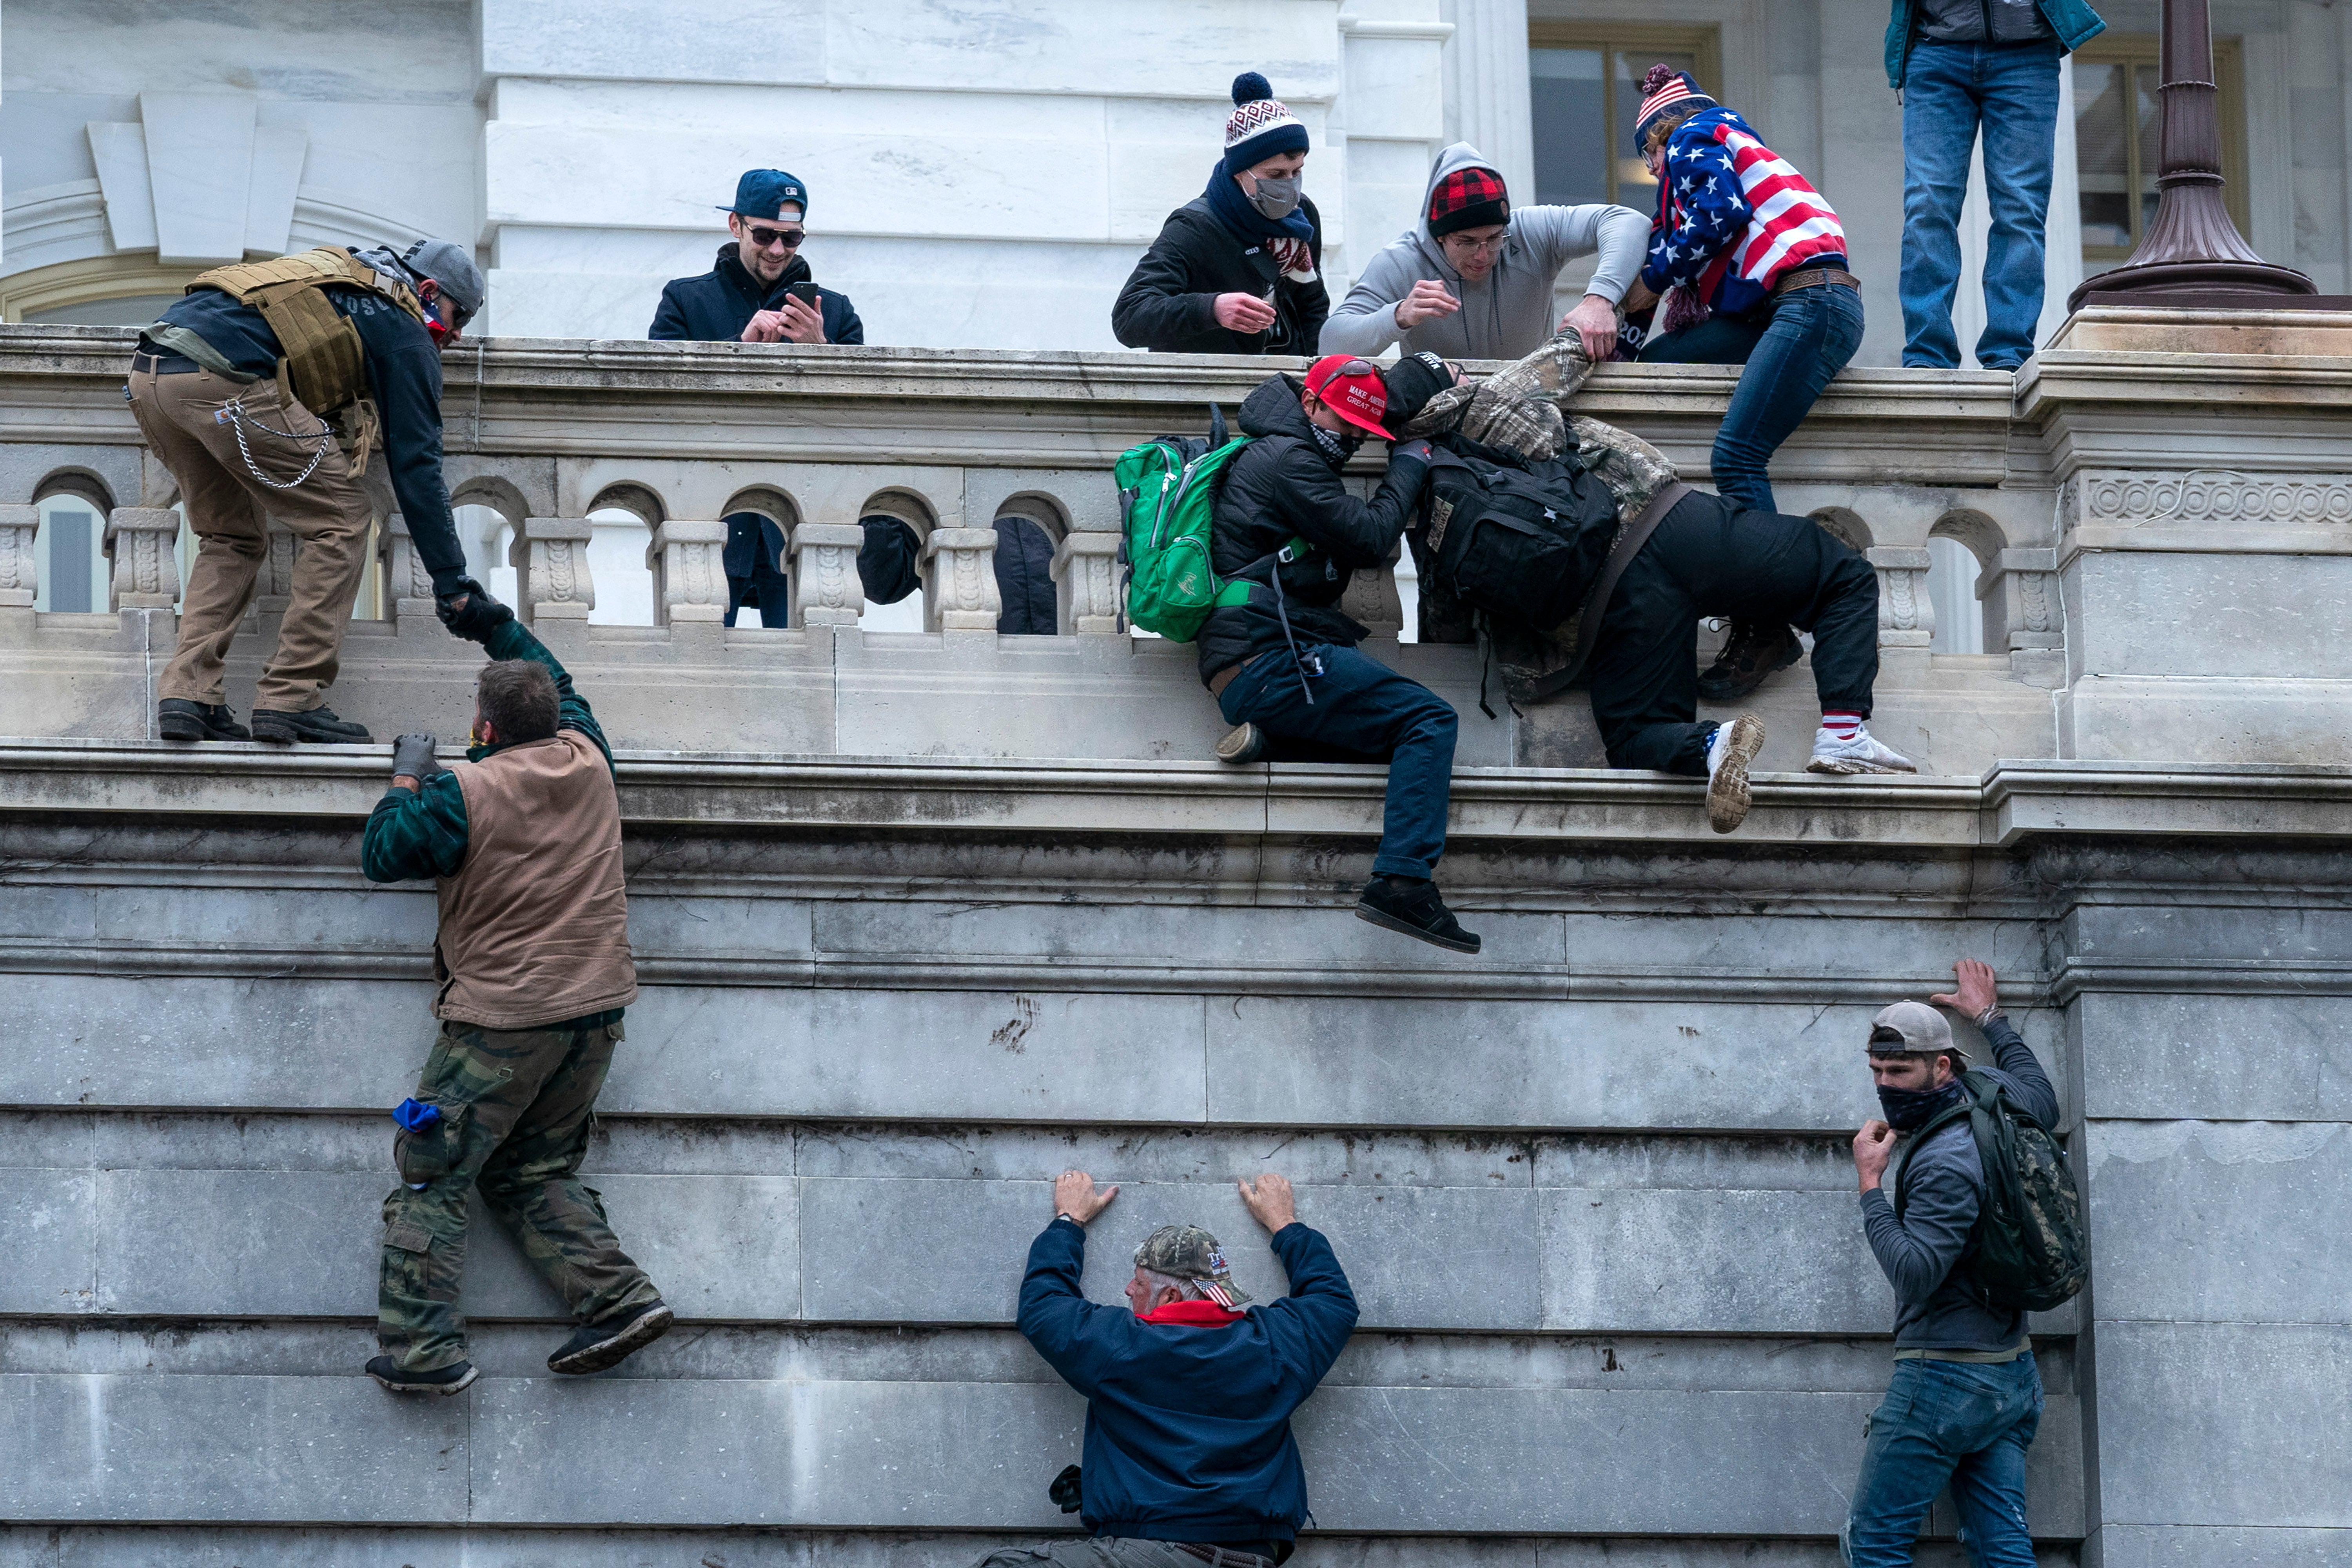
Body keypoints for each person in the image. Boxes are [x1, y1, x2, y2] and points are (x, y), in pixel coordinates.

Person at [1381, 339, 1915, 834]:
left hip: (1609, 609)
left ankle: (1712, 741)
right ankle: (1843, 732)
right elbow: (1574, 354)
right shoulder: (1491, 398)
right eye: (1451, 369)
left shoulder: (1417, 488)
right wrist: (1589, 318)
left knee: (1636, 737)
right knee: (1842, 574)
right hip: (1671, 525)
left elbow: (1448, 612)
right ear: (1446, 386)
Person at [358, 586, 670, 1395]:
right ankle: (618, 1297)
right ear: (553, 717)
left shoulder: (463, 791)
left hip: (503, 1017)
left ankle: (423, 1351)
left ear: (484, 729)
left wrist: (405, 776)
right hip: (596, 1011)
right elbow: (558, 680)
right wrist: (495, 623)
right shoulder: (591, 754)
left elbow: (386, 852)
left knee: (432, 1173)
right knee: (530, 1168)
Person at [130, 239, 487, 745]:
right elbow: (418, 465)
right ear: (428, 290)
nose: (453, 335)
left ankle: (188, 694)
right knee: (343, 518)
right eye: (458, 317)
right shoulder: (406, 325)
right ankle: (290, 699)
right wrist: (452, 582)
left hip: (151, 376)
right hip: (226, 379)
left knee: (231, 536)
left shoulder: (339, 273)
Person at [1202, 355, 1472, 953]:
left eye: (1361, 434)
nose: (1350, 440)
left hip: (1252, 665)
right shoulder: (1290, 462)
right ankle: (1403, 881)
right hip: (1270, 657)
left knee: (1385, 734)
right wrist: (1407, 462)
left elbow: (1381, 398)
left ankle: (1277, 741)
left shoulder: (1288, 449)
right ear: (1309, 404)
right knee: (1428, 720)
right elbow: (1375, 536)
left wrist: (1434, 369)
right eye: (1343, 424)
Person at [1621, 65, 1863, 704]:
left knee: (1736, 454)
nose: (1652, 170)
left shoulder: (1696, 137)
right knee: (1662, 363)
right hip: (1781, 309)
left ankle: (1766, 623)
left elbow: (1717, 215)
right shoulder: (1724, 144)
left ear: (1658, 138)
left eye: (1647, 153)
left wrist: (1657, 276)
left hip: (1813, 302)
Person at [973, 1169, 1357, 1567]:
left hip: (1157, 1551)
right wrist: (1285, 1223)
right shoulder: (1275, 1345)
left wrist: (1069, 1221)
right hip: (1256, 1556)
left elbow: (1042, 1304)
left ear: (1170, 1295)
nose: (1127, 1289)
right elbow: (1333, 1302)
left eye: (1139, 1282)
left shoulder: (1121, 1345)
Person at [1845, 959, 2059, 1568]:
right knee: (2002, 1546)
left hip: (1943, 1376)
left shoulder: (1943, 1159)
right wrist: (1989, 1017)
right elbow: (2041, 1094)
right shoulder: (1994, 1096)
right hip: (2011, 1373)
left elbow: (1915, 1273)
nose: (1887, 1084)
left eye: (1900, 1070)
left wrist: (1869, 1187)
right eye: (1877, 1071)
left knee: (1875, 1543)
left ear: (1941, 1065)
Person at [1889, 0, 2106, 371]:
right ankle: (1927, 355)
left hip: (2027, 56)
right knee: (1927, 205)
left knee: (2020, 208)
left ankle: (2008, 354)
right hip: (1936, 50)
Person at [1321, 143, 1648, 365]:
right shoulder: (1402, 261)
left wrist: (1600, 299)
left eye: (1494, 238)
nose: (1483, 255)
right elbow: (1331, 343)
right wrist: (1399, 316)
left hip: (1533, 407)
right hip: (1442, 419)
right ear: (1439, 236)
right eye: (1466, 241)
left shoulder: (1530, 230)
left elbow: (1628, 222)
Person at [1112, 74, 1328, 356]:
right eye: (1276, 174)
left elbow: (1312, 306)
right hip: (1202, 390)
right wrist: (1212, 309)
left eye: (1297, 172)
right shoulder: (1194, 227)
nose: (1289, 185)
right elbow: (1130, 316)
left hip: (1283, 385)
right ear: (1240, 171)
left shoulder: (1302, 216)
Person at [648, 169, 865, 345]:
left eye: (792, 237)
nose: (777, 250)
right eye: (764, 235)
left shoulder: (838, 311)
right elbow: (658, 385)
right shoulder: (684, 300)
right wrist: (739, 346)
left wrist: (821, 348)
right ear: (736, 226)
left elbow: (863, 393)